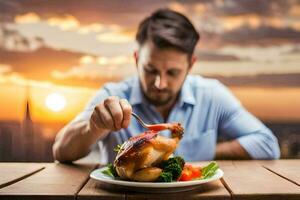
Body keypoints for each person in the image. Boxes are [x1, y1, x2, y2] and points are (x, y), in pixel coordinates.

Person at [53, 9, 280, 163]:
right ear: (136, 59)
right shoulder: (112, 95)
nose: (160, 83)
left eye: (172, 72)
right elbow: (61, 151)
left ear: (191, 65)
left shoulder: (212, 95)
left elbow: (267, 145)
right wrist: (93, 127)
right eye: (150, 70)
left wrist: (199, 154)